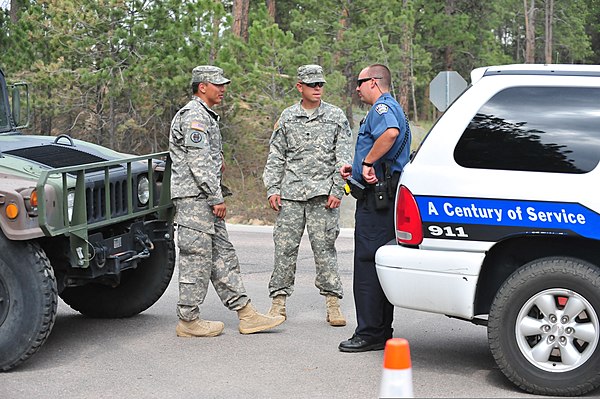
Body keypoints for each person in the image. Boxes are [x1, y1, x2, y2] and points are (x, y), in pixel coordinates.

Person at [169, 65, 285, 337]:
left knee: (223, 256)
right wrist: (215, 196)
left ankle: (245, 313)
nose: (223, 89)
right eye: (217, 84)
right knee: (196, 260)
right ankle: (188, 321)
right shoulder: (193, 117)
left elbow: (205, 159)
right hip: (195, 200)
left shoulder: (206, 116)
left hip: (206, 200)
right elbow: (197, 164)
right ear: (202, 86)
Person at [263, 64, 353, 326]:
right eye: (312, 85)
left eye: (320, 85)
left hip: (323, 197)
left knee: (325, 250)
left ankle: (333, 304)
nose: (317, 89)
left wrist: (338, 190)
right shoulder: (288, 117)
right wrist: (272, 188)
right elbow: (276, 155)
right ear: (299, 86)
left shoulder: (336, 116)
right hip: (290, 195)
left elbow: (344, 157)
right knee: (284, 249)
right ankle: (278, 302)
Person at [338, 64, 411, 352]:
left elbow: (390, 134)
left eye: (360, 82)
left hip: (377, 200)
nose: (356, 88)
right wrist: (356, 167)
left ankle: (369, 333)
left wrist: (367, 163)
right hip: (386, 194)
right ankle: (381, 330)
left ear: (374, 82)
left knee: (367, 266)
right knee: (379, 263)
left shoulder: (383, 108)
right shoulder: (393, 107)